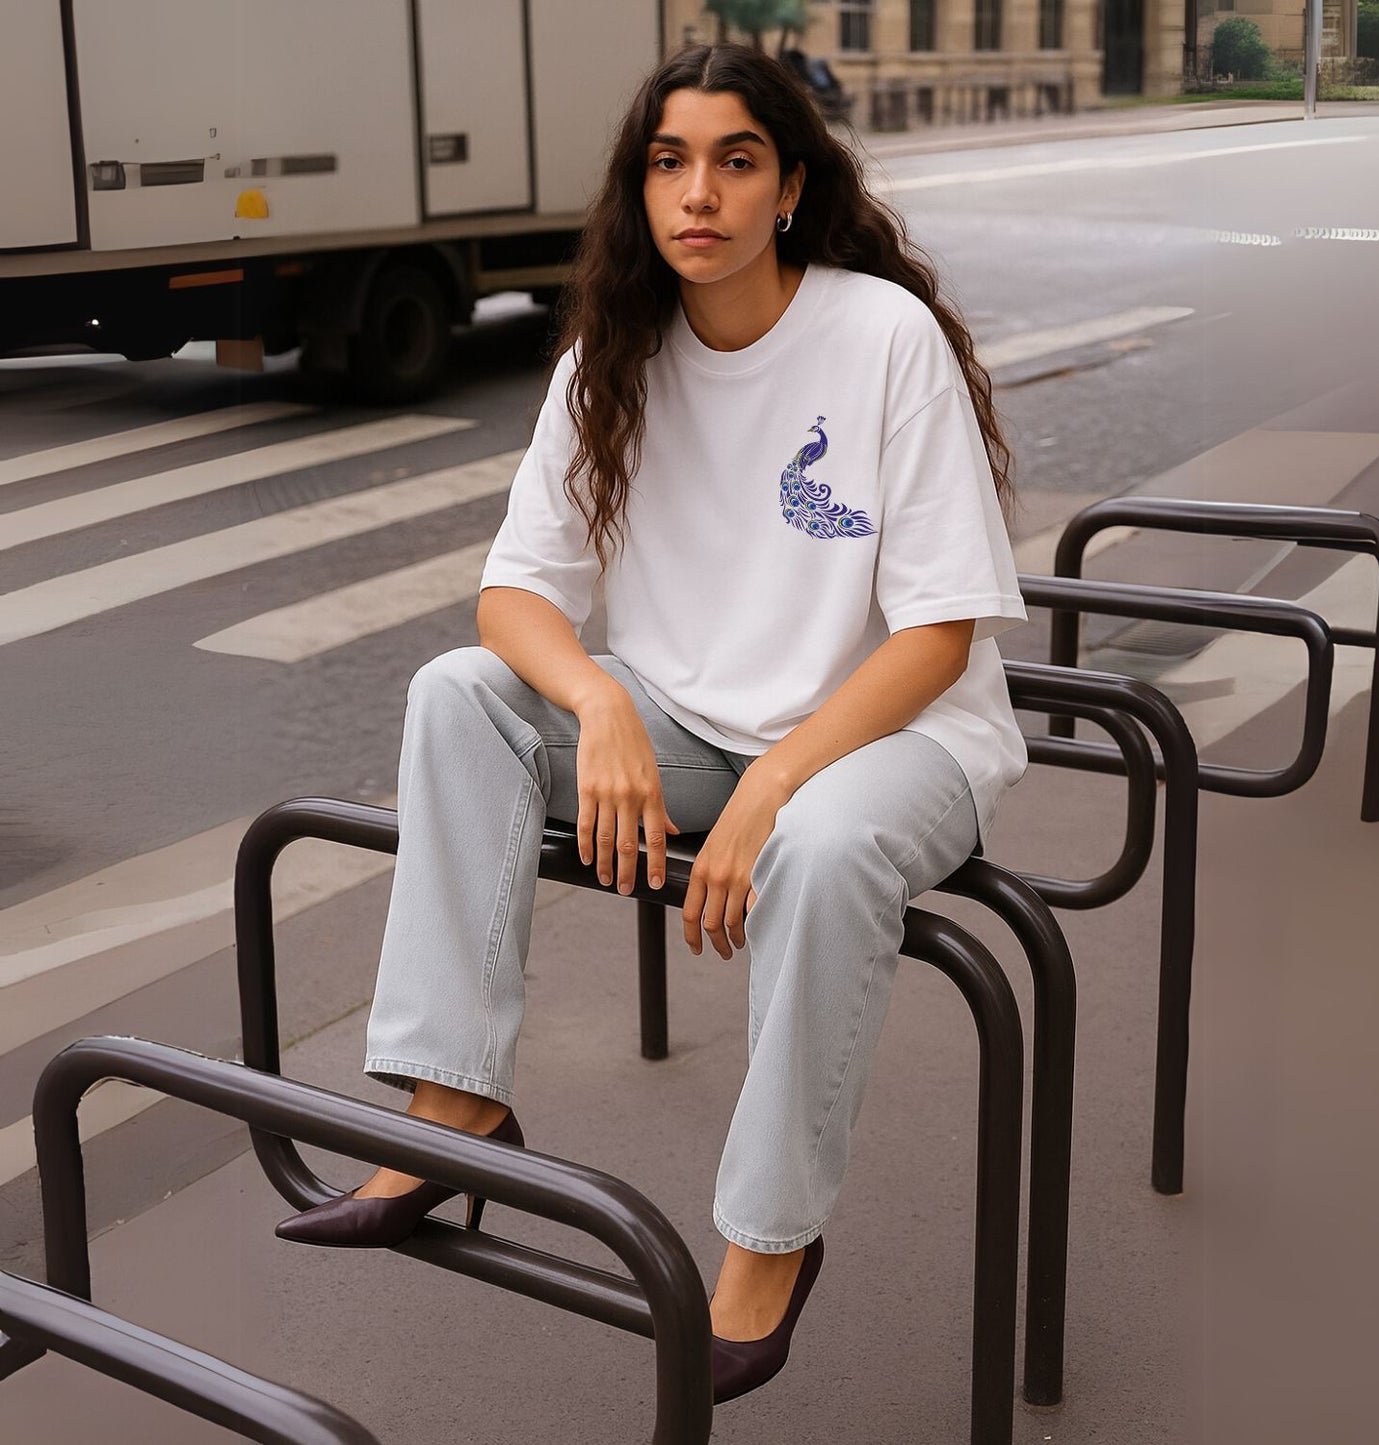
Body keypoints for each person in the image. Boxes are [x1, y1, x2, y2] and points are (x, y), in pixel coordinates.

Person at [275, 40, 1028, 1405]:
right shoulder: (610, 356)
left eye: (735, 161)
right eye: (668, 162)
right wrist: (597, 693)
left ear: (789, 186)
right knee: (456, 693)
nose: (699, 193)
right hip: (691, 718)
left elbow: (936, 634)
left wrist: (777, 783)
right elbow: (514, 593)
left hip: (892, 740)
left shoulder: (875, 337)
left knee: (817, 850)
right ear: (639, 189)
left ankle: (768, 1234)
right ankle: (455, 1106)